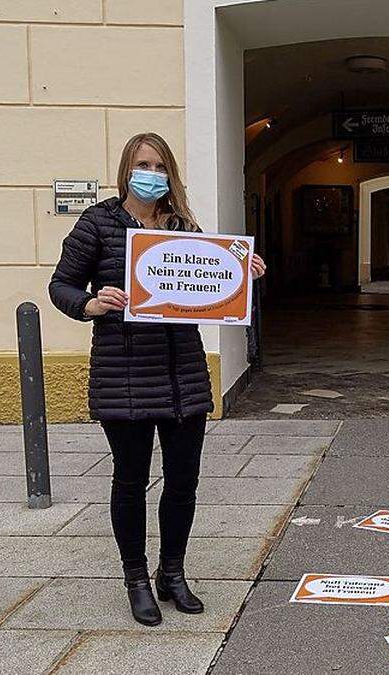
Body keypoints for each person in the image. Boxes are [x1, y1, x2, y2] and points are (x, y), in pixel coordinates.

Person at [49, 132, 266, 626]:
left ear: (170, 174)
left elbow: (207, 284)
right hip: (123, 371)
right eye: (143, 164)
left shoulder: (182, 227)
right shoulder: (98, 223)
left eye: (160, 166)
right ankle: (137, 579)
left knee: (183, 481)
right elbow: (60, 284)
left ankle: (173, 572)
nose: (152, 173)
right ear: (127, 169)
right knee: (130, 481)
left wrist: (241, 275)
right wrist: (89, 304)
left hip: (183, 373)